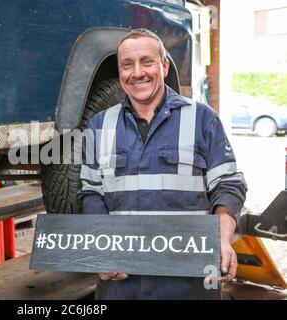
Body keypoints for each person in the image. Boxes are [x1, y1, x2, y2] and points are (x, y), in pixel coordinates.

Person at [77, 29, 247, 300]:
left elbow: (228, 185)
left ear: (164, 66)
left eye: (147, 61)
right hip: (122, 283)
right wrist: (101, 249)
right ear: (120, 72)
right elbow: (92, 193)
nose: (137, 72)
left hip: (189, 282)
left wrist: (221, 240)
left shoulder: (202, 119)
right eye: (127, 65)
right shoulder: (99, 125)